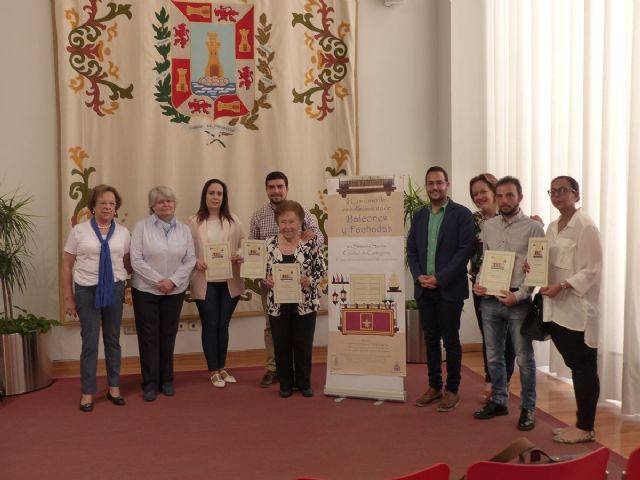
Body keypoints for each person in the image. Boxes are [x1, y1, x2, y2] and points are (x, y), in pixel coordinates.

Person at [472, 176, 544, 431]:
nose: (504, 200)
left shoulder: (534, 228)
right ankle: (499, 401)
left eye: (509, 195)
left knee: (525, 359)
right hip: (490, 300)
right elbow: (487, 260)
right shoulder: (489, 226)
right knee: (494, 356)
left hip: (518, 301)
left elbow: (537, 270)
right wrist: (479, 283)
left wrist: (520, 295)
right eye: (500, 196)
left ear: (520, 197)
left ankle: (527, 408)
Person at [407, 166, 474, 412]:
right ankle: (434, 387)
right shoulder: (420, 215)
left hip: (449, 290)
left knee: (452, 341)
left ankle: (452, 390)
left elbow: (463, 252)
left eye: (439, 183)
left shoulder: (462, 215)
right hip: (425, 289)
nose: (435, 187)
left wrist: (440, 278)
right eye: (430, 183)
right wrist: (418, 276)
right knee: (431, 340)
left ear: (447, 184)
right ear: (426, 186)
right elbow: (412, 250)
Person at [540, 176, 602, 443]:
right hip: (555, 308)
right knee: (576, 365)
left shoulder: (585, 226)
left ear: (576, 194)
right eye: (552, 191)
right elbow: (546, 261)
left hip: (578, 310)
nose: (557, 195)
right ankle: (581, 423)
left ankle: (585, 427)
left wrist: (563, 285)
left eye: (562, 190)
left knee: (583, 368)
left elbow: (593, 270)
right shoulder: (553, 227)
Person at [249, 171, 323, 388]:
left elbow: (317, 238)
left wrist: (307, 237)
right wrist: (263, 275)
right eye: (271, 187)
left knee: (300, 334)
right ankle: (274, 370)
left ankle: (299, 376)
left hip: (302, 286)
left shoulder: (303, 212)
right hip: (272, 285)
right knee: (273, 329)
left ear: (286, 188)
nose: (276, 191)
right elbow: (254, 249)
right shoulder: (258, 215)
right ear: (266, 190)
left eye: (280, 186)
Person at [62, 184, 131, 412]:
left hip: (114, 288)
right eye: (103, 203)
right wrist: (68, 298)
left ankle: (113, 387)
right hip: (86, 290)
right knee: (89, 343)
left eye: (112, 203)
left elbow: (128, 263)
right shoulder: (79, 231)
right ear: (93, 206)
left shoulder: (123, 232)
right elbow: (66, 265)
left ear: (116, 208)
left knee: (113, 340)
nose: (108, 207)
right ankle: (87, 392)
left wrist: (128, 286)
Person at [130, 186, 196, 401]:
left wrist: (173, 281)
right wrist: (159, 281)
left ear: (174, 203)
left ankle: (166, 380)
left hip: (174, 291)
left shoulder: (184, 229)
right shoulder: (141, 227)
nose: (166, 205)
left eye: (169, 201)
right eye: (160, 202)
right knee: (149, 337)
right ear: (152, 206)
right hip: (146, 291)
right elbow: (136, 260)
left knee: (168, 335)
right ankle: (150, 383)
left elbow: (190, 260)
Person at [264, 200, 326, 398]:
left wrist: (310, 280)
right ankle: (285, 384)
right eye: (283, 222)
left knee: (303, 344)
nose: (287, 226)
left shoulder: (311, 244)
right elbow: (261, 272)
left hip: (305, 304)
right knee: (281, 344)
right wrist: (267, 280)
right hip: (277, 305)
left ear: (300, 222)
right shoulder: (268, 244)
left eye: (292, 221)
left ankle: (303, 382)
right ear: (277, 222)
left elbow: (322, 270)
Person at [190, 179, 244, 388]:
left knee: (223, 324)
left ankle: (222, 367)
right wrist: (197, 261)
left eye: (219, 193)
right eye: (211, 193)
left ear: (224, 197)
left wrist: (238, 255)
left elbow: (243, 246)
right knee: (210, 324)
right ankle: (213, 369)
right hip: (205, 282)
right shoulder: (194, 221)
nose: (215, 197)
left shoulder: (233, 221)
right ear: (205, 196)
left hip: (229, 281)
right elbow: (187, 252)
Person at [469, 174, 516, 402]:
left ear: (494, 191)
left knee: (507, 339)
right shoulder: (473, 219)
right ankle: (490, 379)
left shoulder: (510, 217)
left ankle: (503, 382)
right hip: (481, 287)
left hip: (507, 288)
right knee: (489, 338)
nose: (479, 197)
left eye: (483, 192)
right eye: (475, 194)